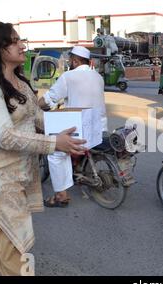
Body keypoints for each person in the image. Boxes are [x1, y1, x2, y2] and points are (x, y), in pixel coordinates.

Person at [0, 21, 86, 275]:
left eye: (21, 39)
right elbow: (6, 137)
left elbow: (38, 117)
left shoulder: (18, 82)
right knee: (14, 258)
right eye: (15, 40)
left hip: (17, 180)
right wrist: (53, 143)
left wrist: (72, 132)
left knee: (7, 254)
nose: (22, 45)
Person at [39, 45, 107, 207]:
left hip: (82, 129)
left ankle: (61, 196)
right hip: (99, 128)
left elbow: (51, 98)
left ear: (76, 61)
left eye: (71, 60)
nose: (70, 62)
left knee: (55, 152)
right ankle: (76, 168)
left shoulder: (68, 76)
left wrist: (34, 106)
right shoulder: (98, 77)